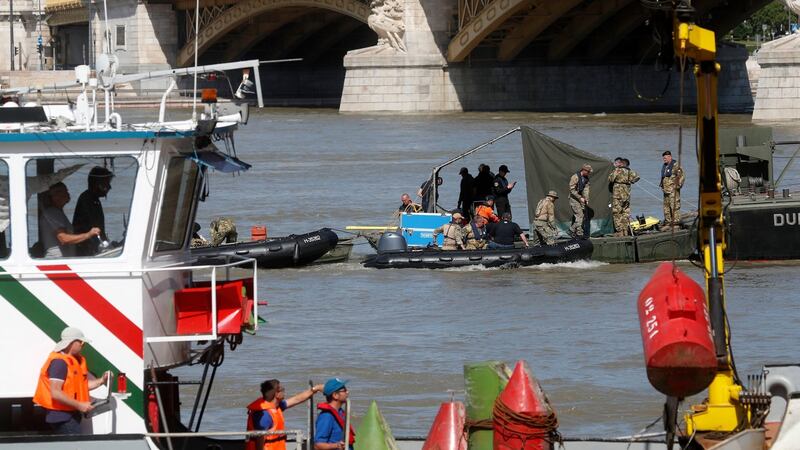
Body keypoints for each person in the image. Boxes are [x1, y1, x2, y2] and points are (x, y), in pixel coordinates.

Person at [33, 327, 110, 434]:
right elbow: (55, 392)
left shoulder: (72, 361)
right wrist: (80, 405)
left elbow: (81, 387)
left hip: (69, 416)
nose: (83, 345)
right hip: (63, 418)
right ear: (71, 343)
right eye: (81, 342)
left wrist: (102, 380)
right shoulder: (59, 363)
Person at [246, 379, 324, 450]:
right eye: (282, 389)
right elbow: (259, 443)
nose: (284, 391)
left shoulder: (275, 406)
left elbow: (297, 399)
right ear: (276, 394)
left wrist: (315, 389)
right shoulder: (264, 415)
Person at [40, 183, 101, 258]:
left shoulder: (56, 213)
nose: (68, 194)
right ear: (55, 196)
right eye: (64, 191)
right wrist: (88, 234)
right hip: (57, 261)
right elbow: (63, 238)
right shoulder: (52, 213)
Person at [73, 166, 113, 256]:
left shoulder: (93, 199)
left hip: (91, 248)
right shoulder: (87, 199)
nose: (110, 187)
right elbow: (94, 229)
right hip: (85, 251)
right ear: (98, 184)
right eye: (107, 183)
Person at [314, 378, 355, 450]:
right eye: (344, 390)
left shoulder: (340, 412)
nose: (347, 392)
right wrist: (336, 445)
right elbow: (318, 445)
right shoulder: (326, 416)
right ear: (335, 395)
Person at [608, 157, 640, 236]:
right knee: (625, 212)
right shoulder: (630, 171)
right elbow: (637, 177)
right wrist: (629, 181)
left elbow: (610, 179)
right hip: (626, 195)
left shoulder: (617, 170)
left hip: (618, 194)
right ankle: (625, 230)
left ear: (621, 164)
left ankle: (620, 231)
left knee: (617, 212)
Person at [660, 151, 685, 229]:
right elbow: (664, 177)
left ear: (670, 157)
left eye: (665, 158)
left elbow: (682, 176)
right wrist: (662, 185)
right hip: (666, 190)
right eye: (663, 158)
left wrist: (676, 186)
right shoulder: (665, 166)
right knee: (666, 207)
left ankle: (676, 222)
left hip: (673, 190)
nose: (664, 159)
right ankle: (668, 222)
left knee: (674, 206)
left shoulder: (676, 165)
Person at [568, 163, 592, 238]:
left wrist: (586, 199)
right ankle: (572, 230)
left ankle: (579, 233)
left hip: (581, 198)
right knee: (580, 215)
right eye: (588, 171)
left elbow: (586, 189)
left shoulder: (586, 178)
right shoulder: (575, 177)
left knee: (582, 216)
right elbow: (572, 190)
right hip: (574, 198)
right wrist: (579, 197)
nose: (588, 173)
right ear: (584, 170)